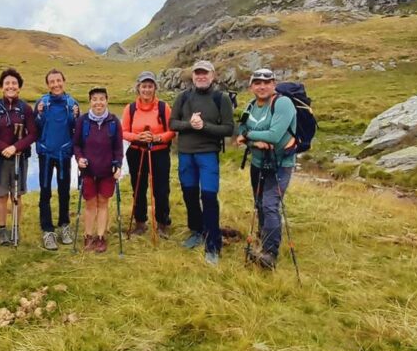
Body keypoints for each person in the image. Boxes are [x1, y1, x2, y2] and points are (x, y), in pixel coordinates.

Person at [169, 60, 235, 266]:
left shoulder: (221, 98)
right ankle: (197, 231)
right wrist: (190, 124)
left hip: (208, 154)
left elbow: (228, 129)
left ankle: (213, 245)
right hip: (186, 154)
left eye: (205, 73)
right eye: (197, 73)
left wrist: (204, 126)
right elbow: (172, 123)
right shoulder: (183, 97)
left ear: (212, 76)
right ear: (193, 76)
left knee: (208, 196)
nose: (201, 76)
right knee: (189, 195)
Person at [236, 68, 297, 270]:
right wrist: (254, 141)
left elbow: (275, 135)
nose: (262, 86)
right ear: (251, 86)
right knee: (259, 203)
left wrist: (249, 137)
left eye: (266, 82)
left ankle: (270, 254)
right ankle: (264, 236)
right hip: (258, 163)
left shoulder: (283, 103)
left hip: (280, 165)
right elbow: (241, 130)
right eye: (257, 83)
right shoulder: (251, 105)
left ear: (274, 84)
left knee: (270, 204)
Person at [0, 68, 37, 246]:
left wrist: (15, 147)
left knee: (17, 195)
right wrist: (4, 148)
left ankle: (16, 227)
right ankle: (2, 229)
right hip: (0, 158)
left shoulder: (26, 109)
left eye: (14, 83)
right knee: (2, 195)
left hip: (20, 158)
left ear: (19, 87)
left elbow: (32, 134)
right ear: (1, 87)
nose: (11, 86)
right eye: (7, 83)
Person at [121, 71, 175, 238]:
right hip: (137, 152)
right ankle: (140, 223)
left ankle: (162, 223)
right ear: (138, 88)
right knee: (138, 187)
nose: (147, 89)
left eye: (150, 86)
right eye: (144, 86)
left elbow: (172, 131)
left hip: (159, 152)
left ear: (155, 88)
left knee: (161, 189)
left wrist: (158, 137)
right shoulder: (130, 108)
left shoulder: (163, 107)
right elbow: (123, 132)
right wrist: (137, 137)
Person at [73, 87, 123, 253]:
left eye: (102, 99)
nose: (98, 102)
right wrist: (79, 158)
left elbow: (118, 147)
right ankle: (88, 235)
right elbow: (77, 145)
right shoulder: (83, 121)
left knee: (103, 203)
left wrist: (118, 165)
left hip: (107, 171)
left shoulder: (114, 121)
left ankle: (100, 237)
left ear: (107, 100)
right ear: (90, 102)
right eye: (95, 99)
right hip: (88, 171)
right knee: (90, 204)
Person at [34, 69, 79, 251]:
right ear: (48, 85)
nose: (55, 84)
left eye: (58, 80)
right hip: (45, 154)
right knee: (45, 193)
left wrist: (76, 116)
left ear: (64, 81)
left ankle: (64, 226)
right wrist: (38, 114)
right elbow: (35, 128)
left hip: (64, 155)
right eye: (52, 82)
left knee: (64, 192)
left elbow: (76, 128)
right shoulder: (42, 103)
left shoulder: (72, 103)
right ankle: (47, 230)